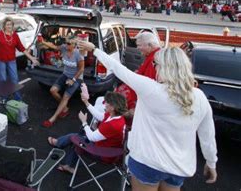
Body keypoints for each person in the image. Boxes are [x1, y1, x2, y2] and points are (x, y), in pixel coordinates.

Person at [78, 41, 218, 190]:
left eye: (156, 64)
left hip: (147, 162)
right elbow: (207, 135)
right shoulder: (200, 97)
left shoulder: (150, 89)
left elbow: (118, 68)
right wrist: (211, 162)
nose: (155, 68)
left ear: (165, 67)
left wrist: (94, 50)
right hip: (178, 167)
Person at [48, 91, 127, 173]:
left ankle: (60, 144)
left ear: (113, 107)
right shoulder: (116, 116)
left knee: (76, 139)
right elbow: (100, 116)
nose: (105, 103)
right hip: (107, 147)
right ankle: (68, 163)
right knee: (79, 136)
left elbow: (92, 137)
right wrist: (86, 102)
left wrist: (84, 122)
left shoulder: (112, 125)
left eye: (107, 102)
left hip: (102, 153)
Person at [0, 17, 39, 100]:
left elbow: (22, 48)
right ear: (4, 26)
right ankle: (4, 98)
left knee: (14, 79)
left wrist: (32, 58)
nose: (9, 26)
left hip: (11, 60)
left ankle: (18, 99)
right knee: (3, 80)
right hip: (0, 60)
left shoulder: (15, 35)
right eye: (7, 24)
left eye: (11, 24)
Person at [39, 34, 85, 128]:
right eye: (65, 42)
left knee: (65, 97)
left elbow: (81, 69)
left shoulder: (78, 54)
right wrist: (43, 42)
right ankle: (64, 108)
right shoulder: (64, 48)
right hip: (65, 75)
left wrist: (73, 80)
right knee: (53, 90)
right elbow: (54, 47)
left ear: (74, 44)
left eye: (68, 44)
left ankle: (52, 118)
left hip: (76, 78)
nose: (66, 45)